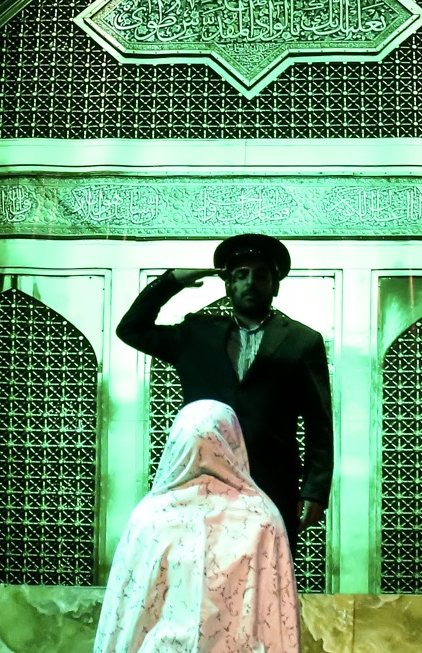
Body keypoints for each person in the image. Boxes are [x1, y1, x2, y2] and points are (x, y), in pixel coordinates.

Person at [75, 401, 312, 653]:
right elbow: (277, 628)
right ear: (233, 442)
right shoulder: (262, 516)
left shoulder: (149, 517)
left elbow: (122, 624)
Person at [117, 234, 332, 553]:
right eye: (240, 275)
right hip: (201, 482)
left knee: (268, 573)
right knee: (203, 571)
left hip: (272, 483)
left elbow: (319, 424)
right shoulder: (197, 334)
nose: (250, 282)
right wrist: (173, 281)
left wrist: (315, 491)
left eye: (261, 275)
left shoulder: (303, 341)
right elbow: (131, 329)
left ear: (275, 286)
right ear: (228, 285)